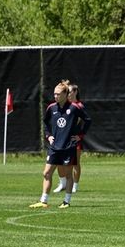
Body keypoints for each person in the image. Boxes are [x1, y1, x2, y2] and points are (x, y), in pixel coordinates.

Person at [29, 81, 92, 209]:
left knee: (68, 175)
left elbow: (88, 120)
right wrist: (49, 135)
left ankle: (66, 201)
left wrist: (80, 135)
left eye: (58, 94)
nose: (55, 96)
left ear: (65, 94)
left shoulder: (74, 108)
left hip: (68, 146)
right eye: (54, 94)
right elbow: (45, 123)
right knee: (46, 173)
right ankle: (43, 201)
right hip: (54, 147)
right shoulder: (51, 108)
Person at [53, 83, 86, 194]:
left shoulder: (78, 106)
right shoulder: (64, 105)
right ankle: (62, 183)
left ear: (75, 92)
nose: (68, 94)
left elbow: (84, 122)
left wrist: (80, 136)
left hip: (74, 140)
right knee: (58, 162)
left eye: (70, 92)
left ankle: (75, 185)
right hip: (62, 140)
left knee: (75, 163)